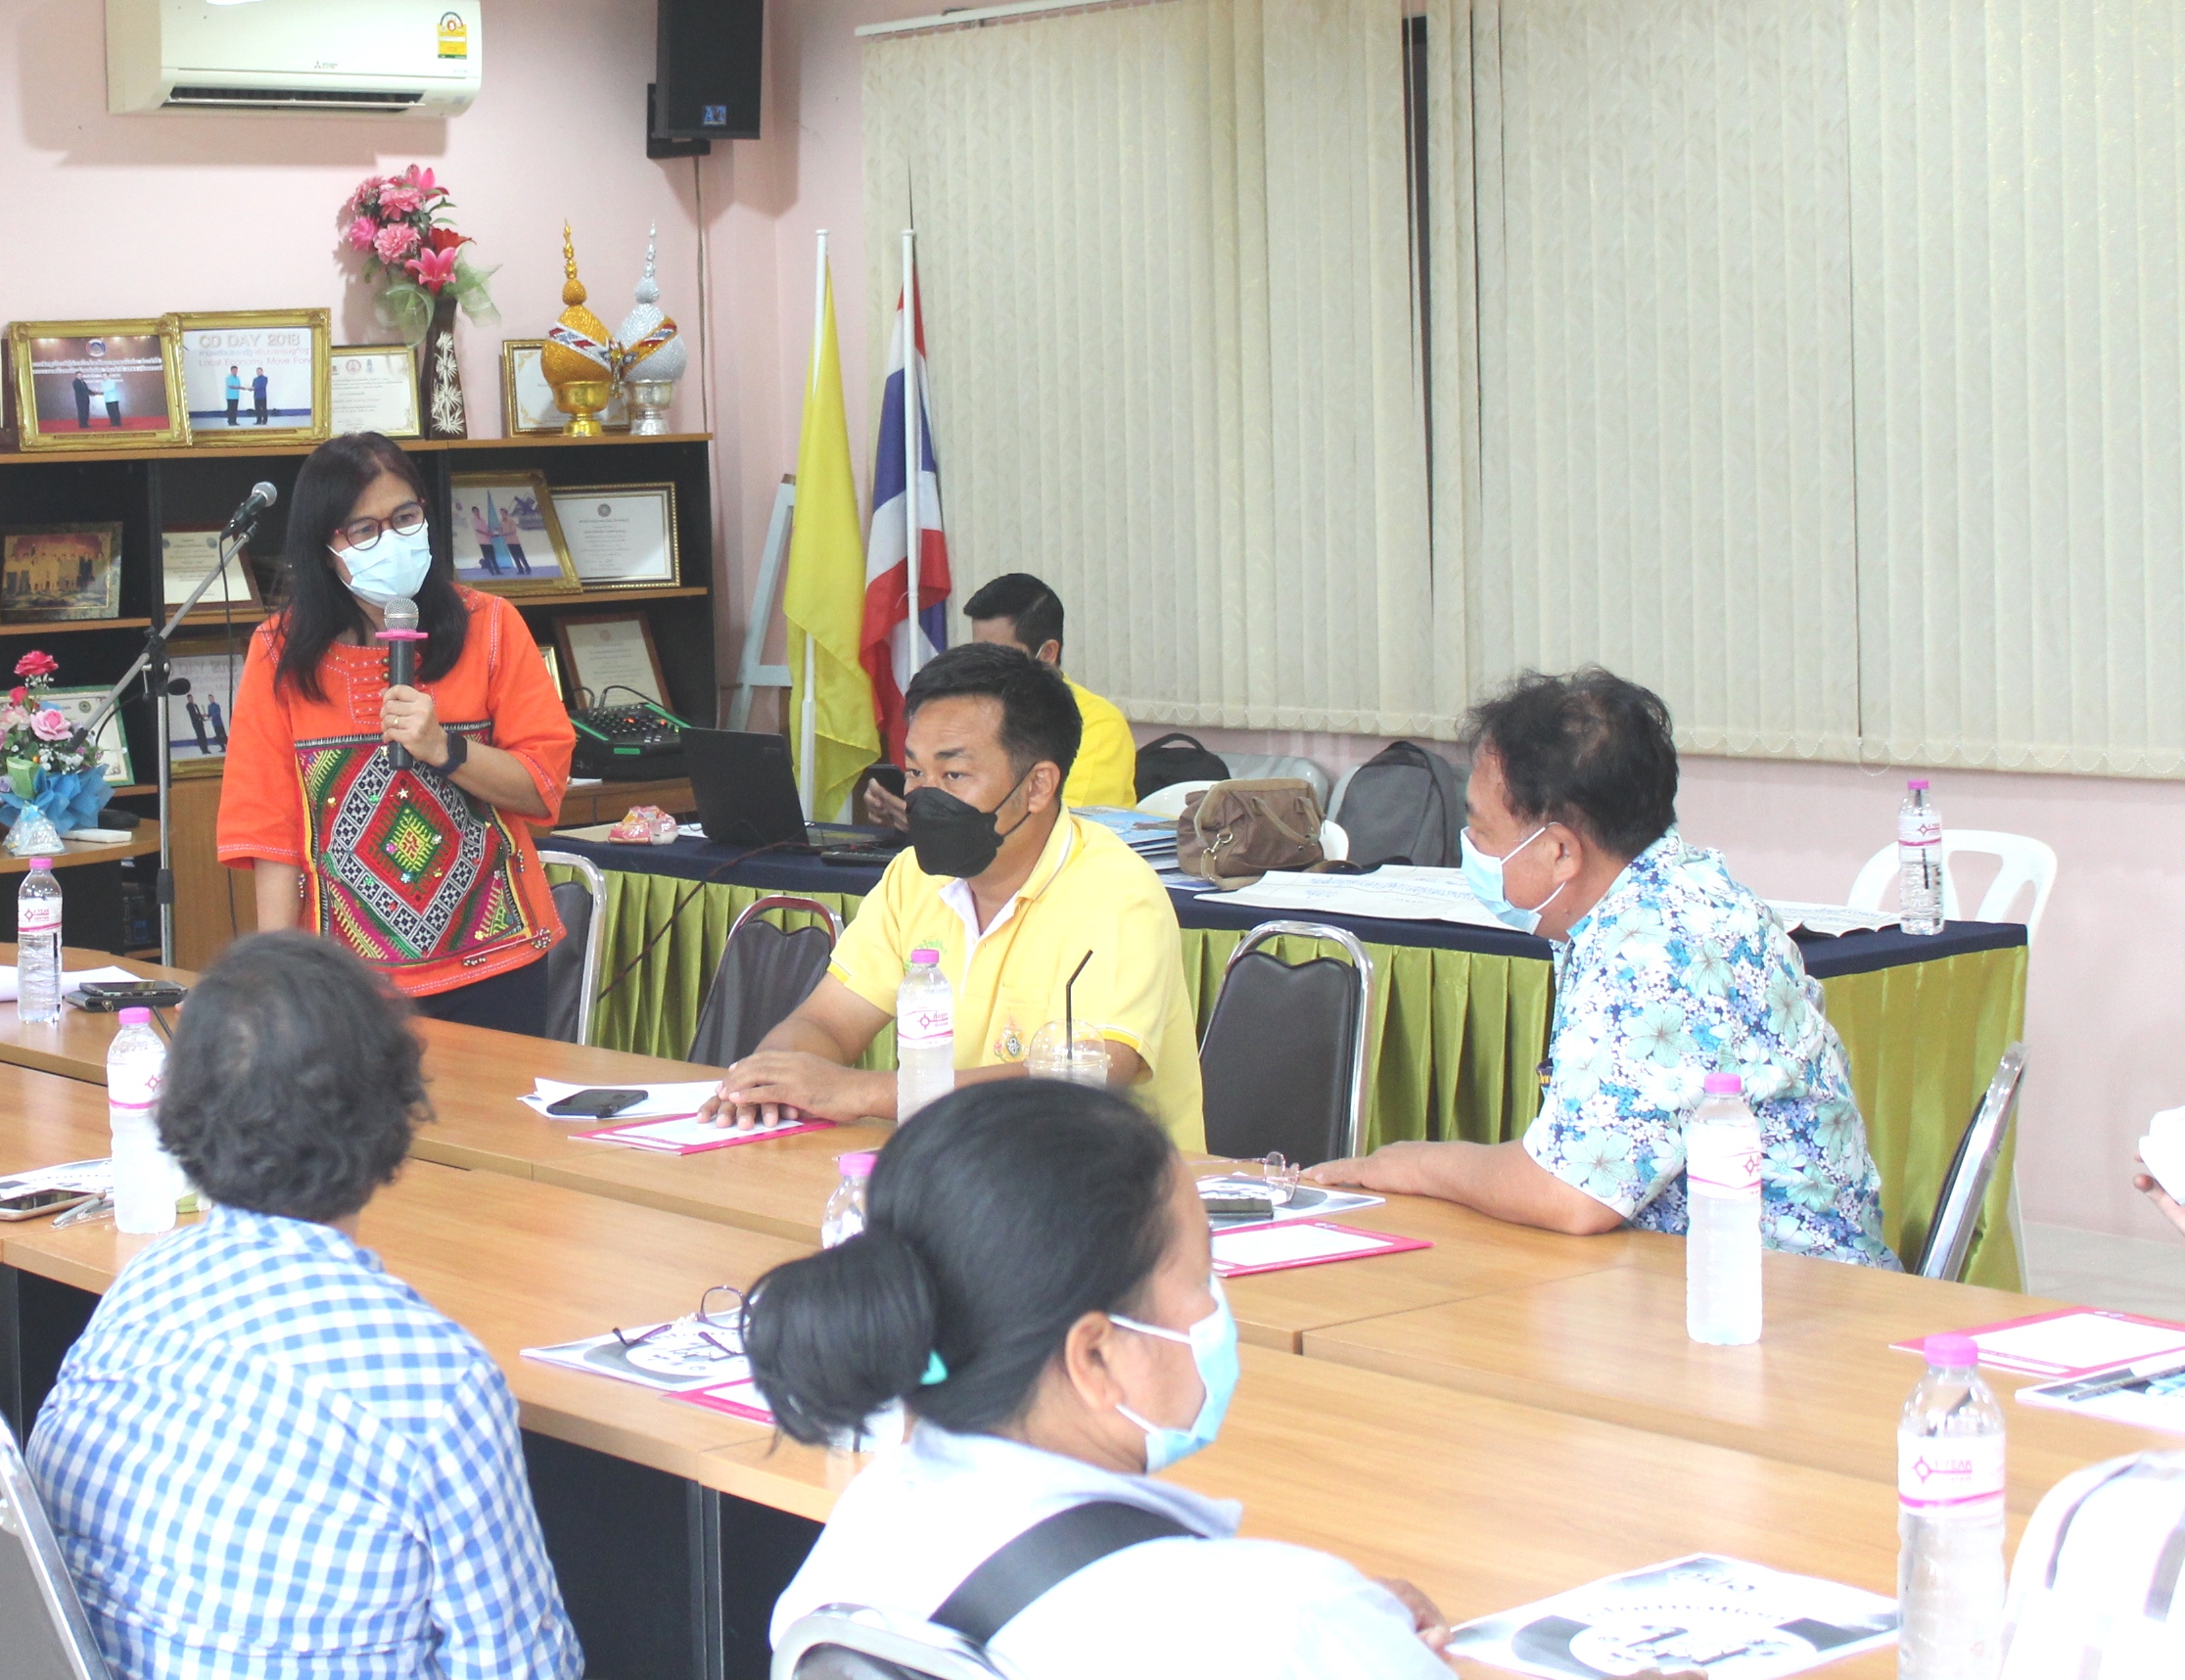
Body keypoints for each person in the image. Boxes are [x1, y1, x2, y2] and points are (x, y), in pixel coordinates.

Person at [750, 1081, 1451, 1678]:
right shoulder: (1288, 1622)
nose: (1216, 1307)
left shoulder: (864, 1532)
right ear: (1094, 1357)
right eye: (1202, 1275)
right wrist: (1358, 1640)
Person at [29, 933, 581, 1680]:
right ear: (393, 1115)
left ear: (179, 1108)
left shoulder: (139, 1295)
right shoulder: (438, 1380)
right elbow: (522, 1668)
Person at [1309, 670, 1896, 1264]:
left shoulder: (1661, 948)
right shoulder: (1660, 893)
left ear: (1561, 851)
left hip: (1781, 1296)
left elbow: (1574, 1195)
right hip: (1684, 1274)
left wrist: (1411, 1164)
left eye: (1481, 830)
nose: (1471, 846)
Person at [709, 644, 1202, 1142]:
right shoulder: (914, 876)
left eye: (954, 775)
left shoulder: (1116, 895)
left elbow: (1084, 1082)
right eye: (916, 772)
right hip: (956, 1171)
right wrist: (771, 1081)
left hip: (1106, 1191)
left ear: (1037, 786)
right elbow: (828, 1022)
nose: (925, 796)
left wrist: (862, 1093)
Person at [217, 433, 575, 1033]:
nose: (392, 539)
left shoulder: (491, 627)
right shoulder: (278, 652)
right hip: (342, 982)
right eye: (364, 530)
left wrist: (447, 750)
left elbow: (543, 788)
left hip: (494, 966)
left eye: (405, 517)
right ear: (326, 548)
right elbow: (269, 830)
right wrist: (277, 978)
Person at [863, 573, 1135, 823]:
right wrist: (903, 800)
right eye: (979, 651)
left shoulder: (1098, 724)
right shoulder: (972, 715)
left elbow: (1060, 827)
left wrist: (937, 827)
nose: (986, 666)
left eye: (1000, 654)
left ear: (1047, 653)